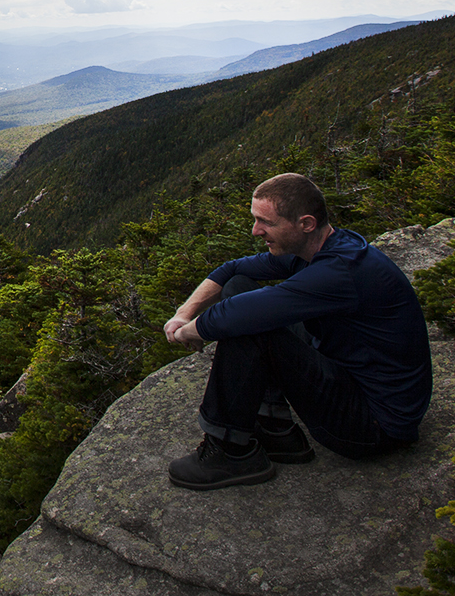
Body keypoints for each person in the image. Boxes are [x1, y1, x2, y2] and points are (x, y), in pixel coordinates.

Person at [161, 173, 432, 490]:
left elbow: (239, 315)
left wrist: (190, 332)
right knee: (239, 288)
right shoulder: (318, 249)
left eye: (266, 222)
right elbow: (232, 270)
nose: (256, 231)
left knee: (249, 324)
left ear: (305, 223)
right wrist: (183, 314)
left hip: (374, 425)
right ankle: (276, 429)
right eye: (255, 219)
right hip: (350, 378)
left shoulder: (340, 271)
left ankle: (230, 451)